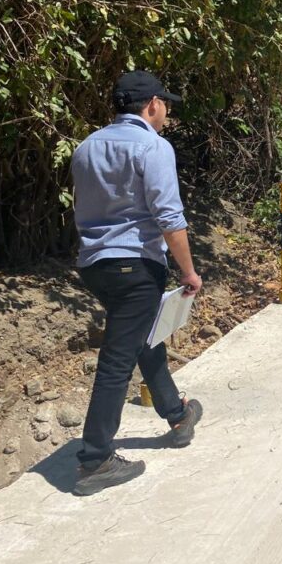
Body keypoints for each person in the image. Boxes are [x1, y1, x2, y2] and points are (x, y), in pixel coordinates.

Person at [70, 70, 204, 495]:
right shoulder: (153, 147)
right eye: (164, 104)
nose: (165, 112)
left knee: (143, 337)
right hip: (134, 266)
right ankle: (95, 460)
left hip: (95, 265)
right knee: (117, 360)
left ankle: (177, 415)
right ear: (152, 106)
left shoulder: (86, 147)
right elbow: (169, 218)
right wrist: (188, 271)